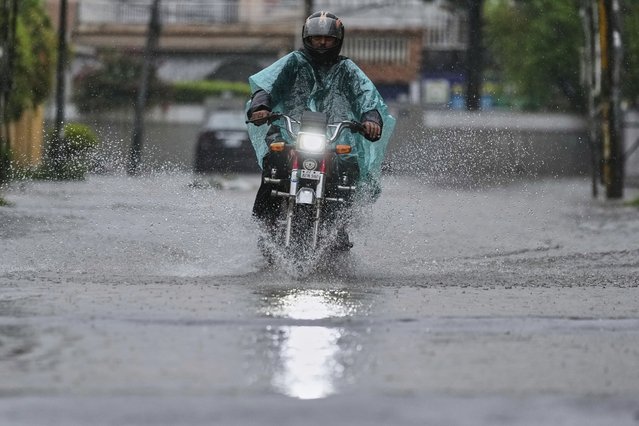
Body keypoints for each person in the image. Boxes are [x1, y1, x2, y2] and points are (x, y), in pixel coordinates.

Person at [246, 11, 395, 249]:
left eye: (328, 38)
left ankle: (339, 228)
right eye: (317, 38)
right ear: (307, 38)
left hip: (335, 138)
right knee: (274, 164)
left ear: (338, 40)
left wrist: (371, 118)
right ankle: (265, 224)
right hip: (290, 131)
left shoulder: (347, 68)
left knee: (347, 170)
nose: (323, 43)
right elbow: (268, 85)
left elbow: (366, 95)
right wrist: (261, 105)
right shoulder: (293, 62)